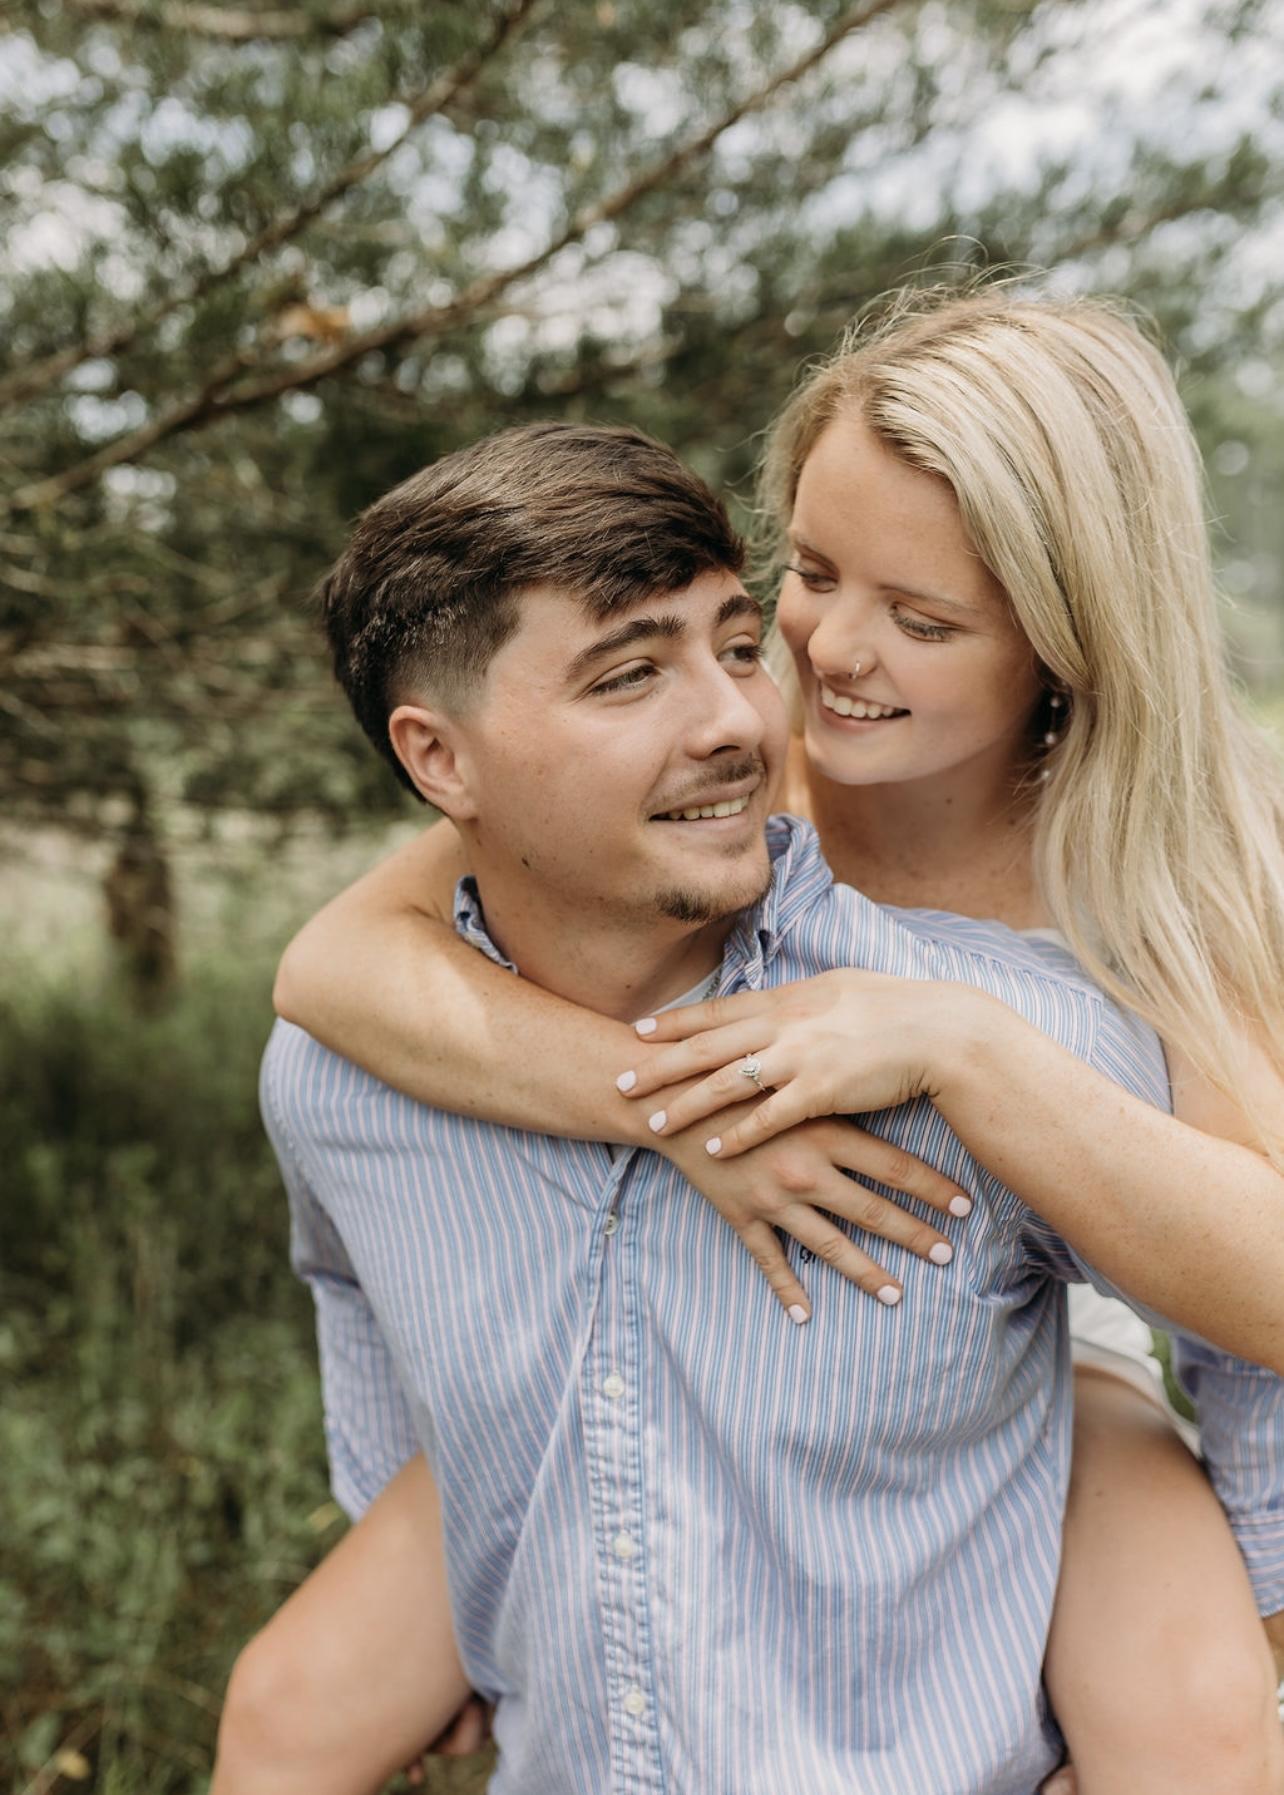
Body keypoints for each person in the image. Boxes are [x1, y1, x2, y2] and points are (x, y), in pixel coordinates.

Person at [214, 361, 1284, 1793]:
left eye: (921, 620)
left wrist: (960, 1046)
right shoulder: (738, 769)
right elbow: (337, 969)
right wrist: (671, 1109)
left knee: (1195, 1717)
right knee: (284, 1707)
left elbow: (1254, 1302)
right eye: (813, 576)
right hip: (675, 1312)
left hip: (1069, 1310)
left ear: (1062, 639)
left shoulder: (1165, 858)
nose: (830, 653)